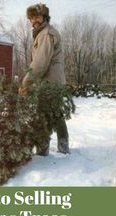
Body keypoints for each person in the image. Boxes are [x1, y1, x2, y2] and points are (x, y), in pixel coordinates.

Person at [19, 3, 70, 155]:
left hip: (50, 83)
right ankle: (63, 145)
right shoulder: (42, 33)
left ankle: (42, 149)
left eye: (37, 16)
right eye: (31, 17)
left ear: (45, 17)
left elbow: (40, 63)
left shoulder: (46, 34)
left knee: (44, 114)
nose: (34, 20)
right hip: (52, 81)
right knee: (55, 113)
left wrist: (26, 82)